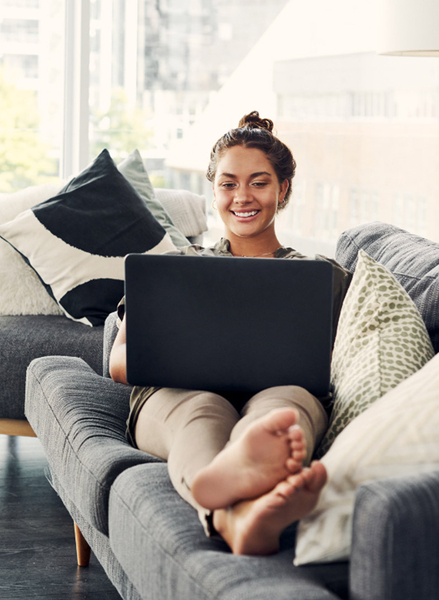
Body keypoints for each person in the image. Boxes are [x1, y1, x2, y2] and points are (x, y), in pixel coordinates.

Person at [109, 111, 352, 556]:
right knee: (202, 408)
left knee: (283, 408)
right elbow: (119, 361)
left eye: (259, 182)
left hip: (281, 391)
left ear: (284, 190)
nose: (243, 196)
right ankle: (235, 509)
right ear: (214, 190)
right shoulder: (176, 268)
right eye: (228, 183)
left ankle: (235, 510)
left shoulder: (321, 276)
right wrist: (180, 360)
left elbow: (344, 360)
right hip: (180, 395)